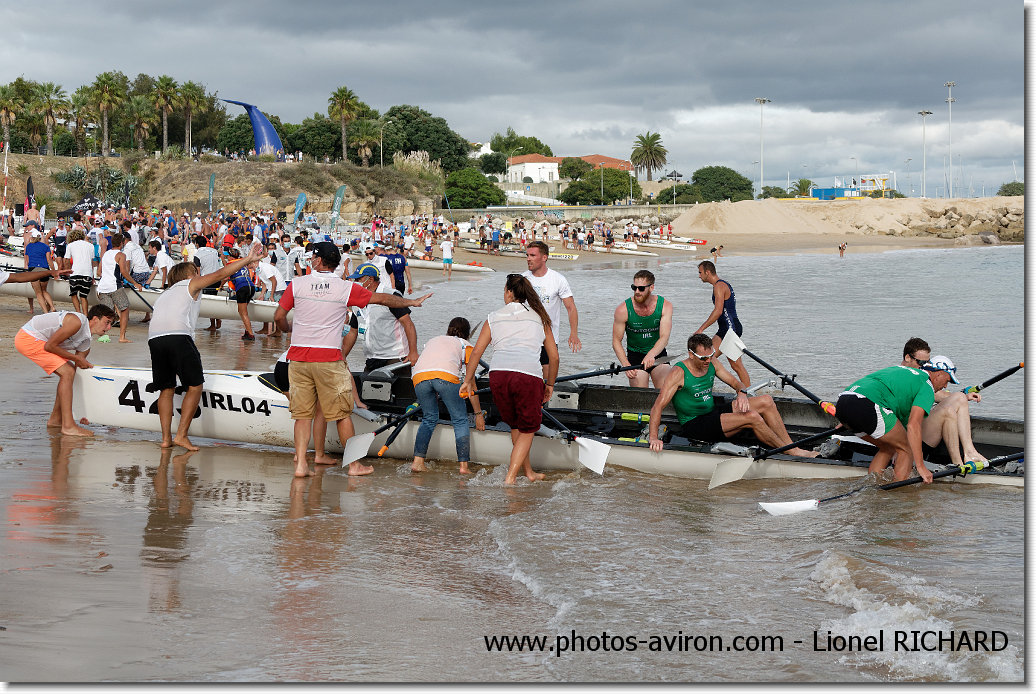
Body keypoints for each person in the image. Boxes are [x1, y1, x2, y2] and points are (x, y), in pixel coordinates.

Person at [273, 242, 431, 478]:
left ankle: (301, 466)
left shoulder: (297, 284)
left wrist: (287, 329)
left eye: (312, 257)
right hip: (328, 359)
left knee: (302, 416)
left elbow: (278, 316)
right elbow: (383, 299)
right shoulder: (345, 288)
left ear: (318, 261)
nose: (310, 261)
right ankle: (354, 466)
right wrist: (411, 302)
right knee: (342, 414)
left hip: (298, 358)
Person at [148, 245, 267, 451]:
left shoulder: (165, 294)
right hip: (178, 336)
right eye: (197, 271)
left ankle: (166, 439)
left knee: (166, 389)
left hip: (155, 339)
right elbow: (221, 273)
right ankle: (182, 436)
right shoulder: (190, 283)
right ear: (191, 275)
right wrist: (248, 259)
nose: (200, 274)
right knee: (194, 386)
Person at [648, 333, 819, 457]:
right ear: (691, 355)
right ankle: (791, 452)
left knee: (766, 401)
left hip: (712, 413)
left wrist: (742, 393)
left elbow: (737, 383)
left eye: (711, 355)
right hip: (695, 424)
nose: (708, 361)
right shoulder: (678, 373)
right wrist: (654, 438)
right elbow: (657, 406)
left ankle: (790, 447)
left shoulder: (712, 362)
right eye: (703, 358)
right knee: (752, 417)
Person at [462, 274, 558, 485]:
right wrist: (550, 384)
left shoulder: (493, 316)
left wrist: (468, 380)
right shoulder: (540, 317)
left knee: (516, 425)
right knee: (529, 428)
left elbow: (476, 352)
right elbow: (554, 356)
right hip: (527, 376)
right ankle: (510, 478)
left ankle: (529, 472)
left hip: (498, 375)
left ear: (509, 292)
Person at [834, 356, 959, 483]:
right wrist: (921, 466)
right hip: (866, 405)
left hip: (843, 403)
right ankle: (899, 495)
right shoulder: (927, 385)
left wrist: (850, 414)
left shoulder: (904, 371)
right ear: (938, 374)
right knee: (907, 448)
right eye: (947, 380)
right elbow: (913, 425)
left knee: (889, 447)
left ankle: (872, 487)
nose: (945, 386)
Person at [15, 305, 117, 437]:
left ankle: (56, 420)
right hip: (28, 337)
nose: (109, 328)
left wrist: (84, 414)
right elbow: (50, 346)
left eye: (111, 324)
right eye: (107, 322)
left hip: (42, 341)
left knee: (69, 374)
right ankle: (68, 426)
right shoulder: (77, 322)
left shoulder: (85, 343)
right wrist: (75, 358)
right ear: (95, 319)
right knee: (67, 372)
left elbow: (78, 374)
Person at [410, 317, 485, 474]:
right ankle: (464, 467)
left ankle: (417, 462)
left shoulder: (434, 340)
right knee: (459, 419)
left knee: (429, 418)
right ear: (467, 334)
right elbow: (470, 382)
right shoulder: (466, 344)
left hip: (418, 377)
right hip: (445, 377)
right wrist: (478, 414)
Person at [899, 338, 984, 466]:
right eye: (921, 362)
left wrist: (964, 395)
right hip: (907, 438)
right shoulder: (900, 378)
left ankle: (970, 452)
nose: (925, 366)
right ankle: (957, 464)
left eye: (927, 362)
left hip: (920, 430)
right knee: (947, 412)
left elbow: (936, 394)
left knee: (960, 398)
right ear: (907, 358)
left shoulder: (920, 377)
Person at [522, 241, 581, 379]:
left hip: (549, 338)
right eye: (527, 255)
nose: (528, 258)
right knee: (527, 379)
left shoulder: (558, 279)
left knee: (547, 382)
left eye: (532, 255)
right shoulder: (522, 279)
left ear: (544, 257)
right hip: (526, 338)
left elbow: (571, 307)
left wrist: (573, 333)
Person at [611, 270, 674, 388]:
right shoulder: (622, 310)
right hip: (635, 356)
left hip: (657, 353)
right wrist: (625, 364)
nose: (637, 292)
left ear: (651, 288)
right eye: (634, 288)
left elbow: (664, 337)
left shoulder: (665, 306)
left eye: (641, 288)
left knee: (665, 389)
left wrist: (651, 354)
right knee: (640, 396)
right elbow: (616, 341)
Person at [695, 260, 750, 387]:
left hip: (730, 330)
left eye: (700, 272)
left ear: (707, 272)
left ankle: (748, 394)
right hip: (725, 329)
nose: (699, 275)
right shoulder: (722, 284)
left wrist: (701, 329)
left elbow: (718, 311)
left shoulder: (719, 286)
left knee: (732, 364)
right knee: (708, 358)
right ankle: (746, 391)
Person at [360, 262, 420, 374]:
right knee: (366, 390)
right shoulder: (359, 299)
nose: (356, 283)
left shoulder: (391, 296)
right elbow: (353, 330)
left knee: (399, 391)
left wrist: (413, 352)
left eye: (359, 279)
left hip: (395, 357)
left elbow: (408, 324)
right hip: (372, 357)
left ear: (370, 279)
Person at [96, 232, 143, 343]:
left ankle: (102, 335)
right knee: (125, 309)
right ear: (121, 244)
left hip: (102, 287)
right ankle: (122, 337)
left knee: (106, 314)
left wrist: (107, 277)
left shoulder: (106, 254)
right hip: (114, 286)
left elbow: (99, 272)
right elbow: (124, 271)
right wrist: (135, 283)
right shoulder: (121, 255)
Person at [193, 236, 223, 331]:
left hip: (207, 279)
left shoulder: (197, 255)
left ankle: (214, 323)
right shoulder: (213, 250)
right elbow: (221, 257)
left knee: (209, 302)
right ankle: (215, 321)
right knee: (213, 299)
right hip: (218, 278)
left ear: (197, 244)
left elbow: (197, 273)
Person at [23, 229, 55, 314]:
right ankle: (52, 307)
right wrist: (54, 271)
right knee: (44, 290)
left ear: (32, 237)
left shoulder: (28, 246)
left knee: (38, 293)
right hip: (44, 269)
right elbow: (49, 260)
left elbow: (27, 261)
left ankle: (45, 312)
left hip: (33, 270)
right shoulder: (46, 246)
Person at [65, 229, 96, 314]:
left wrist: (67, 271)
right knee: (83, 296)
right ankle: (85, 315)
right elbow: (92, 263)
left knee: (74, 294)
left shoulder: (70, 245)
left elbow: (66, 260)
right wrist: (92, 277)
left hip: (75, 272)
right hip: (87, 274)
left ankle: (78, 312)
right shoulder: (90, 246)